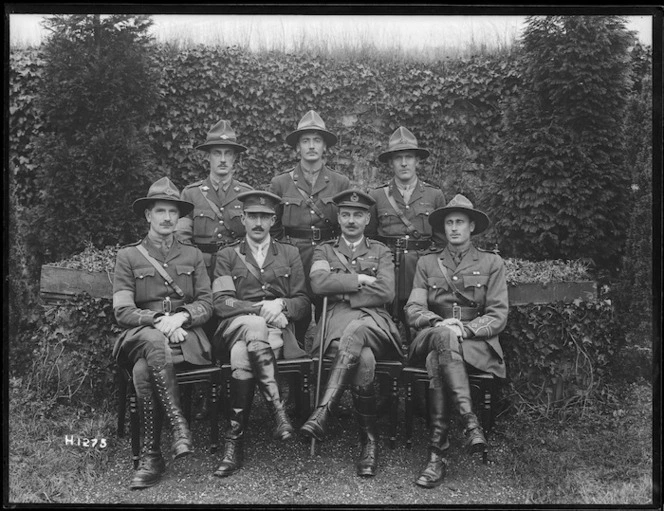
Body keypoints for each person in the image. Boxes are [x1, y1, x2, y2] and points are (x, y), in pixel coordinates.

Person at [112, 177, 213, 490]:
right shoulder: (128, 256)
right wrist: (157, 320)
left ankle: (152, 457)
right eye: (160, 211)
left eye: (173, 211)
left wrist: (181, 317)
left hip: (185, 338)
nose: (168, 217)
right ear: (148, 216)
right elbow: (122, 311)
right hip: (140, 336)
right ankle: (179, 425)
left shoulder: (193, 256)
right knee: (153, 341)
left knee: (144, 370)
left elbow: (207, 303)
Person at [404, 194, 508, 489]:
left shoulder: (491, 262)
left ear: (471, 226)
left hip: (473, 342)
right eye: (449, 222)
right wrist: (439, 323)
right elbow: (413, 309)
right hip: (432, 332)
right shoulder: (427, 263)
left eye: (460, 222)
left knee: (438, 357)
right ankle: (470, 423)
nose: (453, 228)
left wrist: (466, 329)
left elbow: (499, 315)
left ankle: (437, 456)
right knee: (442, 338)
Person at [300, 190, 403, 478]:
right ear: (339, 218)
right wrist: (359, 279)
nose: (351, 220)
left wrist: (344, 293)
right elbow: (319, 283)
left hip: (376, 323)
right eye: (345, 214)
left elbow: (386, 291)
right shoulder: (324, 250)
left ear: (368, 218)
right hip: (335, 326)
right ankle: (369, 443)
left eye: (358, 215)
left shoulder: (381, 250)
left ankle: (323, 411)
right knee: (364, 358)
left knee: (358, 333)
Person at [211, 190, 310, 478]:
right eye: (252, 216)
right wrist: (260, 307)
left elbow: (302, 302)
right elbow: (221, 302)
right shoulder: (227, 254)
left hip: (273, 332)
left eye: (264, 217)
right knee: (253, 325)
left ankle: (234, 440)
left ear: (273, 220)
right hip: (234, 326)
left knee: (243, 352)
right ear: (242, 218)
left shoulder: (289, 253)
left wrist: (281, 304)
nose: (258, 222)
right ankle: (278, 413)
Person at [269, 110, 351, 346]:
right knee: (297, 315)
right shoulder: (281, 183)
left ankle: (325, 365)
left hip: (328, 254)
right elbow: (273, 226)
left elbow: (347, 222)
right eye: (305, 141)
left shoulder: (339, 182)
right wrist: (284, 253)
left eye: (317, 140)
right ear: (297, 148)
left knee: (331, 314)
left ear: (325, 147)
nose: (311, 146)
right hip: (295, 256)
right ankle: (295, 369)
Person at [366, 126, 447, 330]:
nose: (404, 163)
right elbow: (370, 240)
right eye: (398, 158)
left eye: (409, 157)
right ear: (391, 163)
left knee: (421, 321)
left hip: (421, 267)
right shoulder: (376, 196)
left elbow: (441, 241)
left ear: (417, 161)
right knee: (386, 321)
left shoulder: (434, 195)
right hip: (389, 267)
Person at [176, 119, 253, 282]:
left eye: (228, 153)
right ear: (208, 157)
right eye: (217, 153)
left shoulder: (247, 194)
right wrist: (194, 265)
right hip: (201, 269)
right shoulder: (191, 194)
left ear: (235, 159)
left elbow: (254, 237)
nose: (223, 159)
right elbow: (182, 237)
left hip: (236, 269)